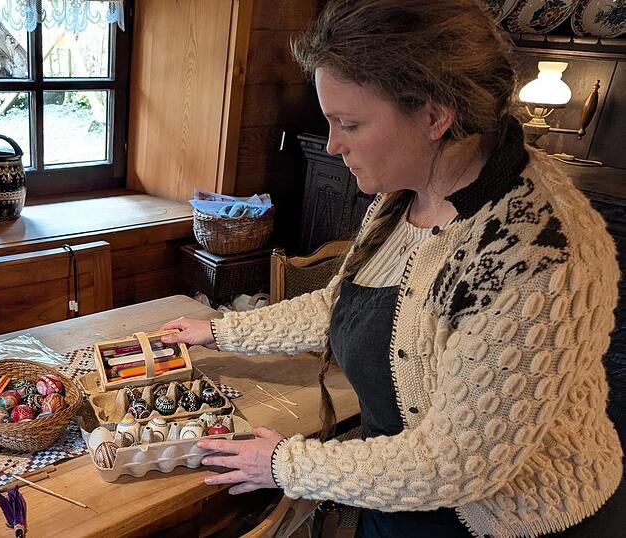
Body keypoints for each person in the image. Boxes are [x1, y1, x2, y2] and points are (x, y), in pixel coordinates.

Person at [161, 1, 623, 536]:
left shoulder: (537, 255)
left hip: (507, 518)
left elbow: (453, 463)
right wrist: (217, 331)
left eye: (349, 123)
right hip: (397, 486)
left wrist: (283, 463)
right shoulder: (408, 188)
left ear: (433, 115)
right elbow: (341, 304)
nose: (333, 145)